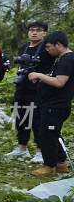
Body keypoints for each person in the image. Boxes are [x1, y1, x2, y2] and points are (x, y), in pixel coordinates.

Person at [27, 31, 74, 177]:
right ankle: (61, 163)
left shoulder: (67, 59)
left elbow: (60, 82)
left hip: (56, 106)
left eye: (48, 47)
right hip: (54, 104)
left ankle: (49, 166)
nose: (48, 51)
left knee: (46, 135)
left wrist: (39, 75)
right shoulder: (63, 59)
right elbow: (57, 77)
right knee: (53, 133)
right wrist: (45, 77)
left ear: (58, 45)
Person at [7, 21, 53, 161]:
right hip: (22, 87)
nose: (34, 32)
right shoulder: (24, 47)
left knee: (37, 119)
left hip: (39, 88)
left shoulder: (47, 48)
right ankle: (22, 148)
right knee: (21, 117)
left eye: (38, 30)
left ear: (44, 33)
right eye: (32, 30)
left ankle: (40, 151)